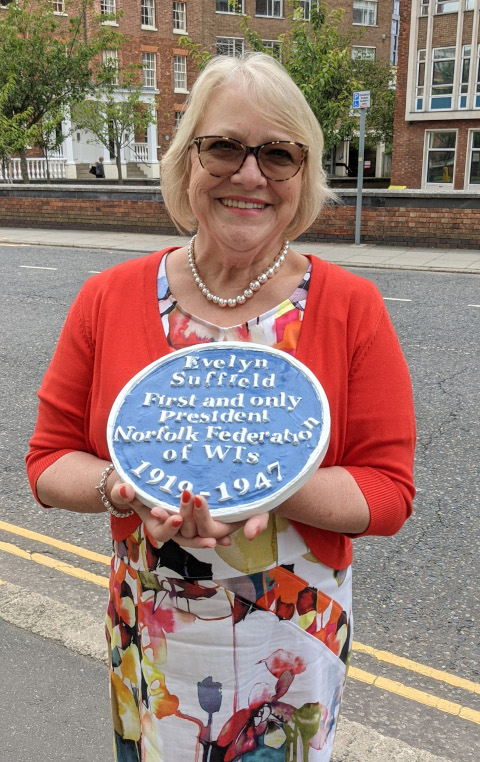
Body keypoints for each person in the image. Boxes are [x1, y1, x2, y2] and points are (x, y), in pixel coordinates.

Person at [26, 53, 415, 762]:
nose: (250, 174)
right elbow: (48, 461)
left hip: (289, 654)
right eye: (224, 147)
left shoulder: (352, 308)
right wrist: (119, 485)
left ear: (305, 172)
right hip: (150, 643)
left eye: (277, 154)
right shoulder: (106, 298)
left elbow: (388, 493)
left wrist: (270, 480)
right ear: (186, 160)